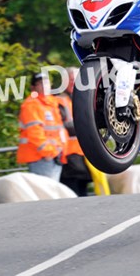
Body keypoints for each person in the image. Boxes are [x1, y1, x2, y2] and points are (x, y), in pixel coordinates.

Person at [16, 72, 66, 181]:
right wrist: (49, 152)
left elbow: (59, 130)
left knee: (53, 192)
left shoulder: (51, 103)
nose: (45, 86)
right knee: (47, 193)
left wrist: (60, 150)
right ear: (33, 87)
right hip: (41, 157)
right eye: (40, 83)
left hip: (54, 156)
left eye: (47, 82)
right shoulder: (32, 104)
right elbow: (34, 133)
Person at [55, 67, 93, 196]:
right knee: (72, 192)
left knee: (84, 191)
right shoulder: (59, 101)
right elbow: (62, 125)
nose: (73, 82)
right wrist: (85, 127)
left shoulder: (84, 98)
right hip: (69, 155)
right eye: (70, 79)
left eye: (76, 79)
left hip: (84, 152)